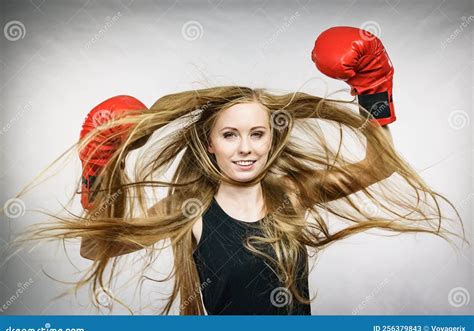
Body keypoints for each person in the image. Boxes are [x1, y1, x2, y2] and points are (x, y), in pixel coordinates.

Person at [16, 26, 465, 315]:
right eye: (230, 135)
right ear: (210, 145)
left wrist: (374, 89)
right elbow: (95, 249)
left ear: (273, 139)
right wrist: (100, 170)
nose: (246, 148)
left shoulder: (291, 191)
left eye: (257, 134)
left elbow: (379, 164)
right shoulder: (190, 208)